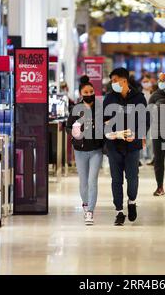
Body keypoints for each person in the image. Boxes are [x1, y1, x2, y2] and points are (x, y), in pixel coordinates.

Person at [104, 68, 149, 226]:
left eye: (115, 80)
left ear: (124, 80)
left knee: (132, 178)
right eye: (112, 81)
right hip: (114, 145)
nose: (113, 83)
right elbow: (103, 120)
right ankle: (119, 211)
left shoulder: (139, 98)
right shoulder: (109, 98)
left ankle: (132, 201)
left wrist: (136, 134)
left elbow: (145, 120)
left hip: (132, 145)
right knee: (116, 180)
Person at [66, 81, 104, 226]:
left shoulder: (100, 108)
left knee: (92, 180)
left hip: (96, 150)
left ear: (94, 91)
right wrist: (74, 132)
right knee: (83, 181)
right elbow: (68, 127)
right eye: (85, 92)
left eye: (90, 92)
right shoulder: (76, 108)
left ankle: (90, 212)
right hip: (80, 150)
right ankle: (85, 204)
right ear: (81, 94)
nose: (89, 94)